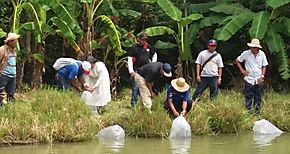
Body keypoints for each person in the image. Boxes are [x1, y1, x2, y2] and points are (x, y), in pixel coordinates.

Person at [236, 38, 268, 115]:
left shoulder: (262, 54)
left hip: (258, 78)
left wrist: (262, 76)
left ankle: (257, 112)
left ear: (257, 48)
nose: (252, 48)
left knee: (258, 96)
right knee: (248, 95)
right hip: (249, 78)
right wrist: (242, 70)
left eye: (254, 47)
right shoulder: (246, 53)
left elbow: (264, 66)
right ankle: (248, 111)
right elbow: (237, 60)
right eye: (252, 47)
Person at [127, 32, 157, 107]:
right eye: (143, 40)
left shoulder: (148, 47)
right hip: (137, 71)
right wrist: (131, 71)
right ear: (139, 39)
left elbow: (154, 54)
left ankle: (145, 104)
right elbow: (130, 59)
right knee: (135, 88)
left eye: (146, 40)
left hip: (146, 72)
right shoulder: (134, 47)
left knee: (146, 89)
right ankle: (134, 105)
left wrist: (152, 64)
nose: (144, 41)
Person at [0, 33, 20, 106]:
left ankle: (11, 108)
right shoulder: (2, 49)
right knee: (1, 92)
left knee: (11, 93)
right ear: (10, 41)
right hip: (4, 74)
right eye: (15, 42)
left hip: (13, 75)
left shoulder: (14, 50)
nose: (16, 43)